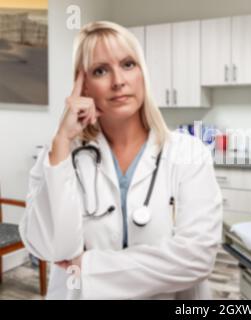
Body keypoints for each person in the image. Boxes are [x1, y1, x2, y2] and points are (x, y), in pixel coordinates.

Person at [19, 21, 223, 300]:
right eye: (100, 70)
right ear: (84, 86)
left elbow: (196, 258)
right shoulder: (61, 156)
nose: (118, 81)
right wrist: (61, 142)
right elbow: (50, 248)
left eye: (128, 64)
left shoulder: (189, 153)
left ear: (142, 74)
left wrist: (88, 268)